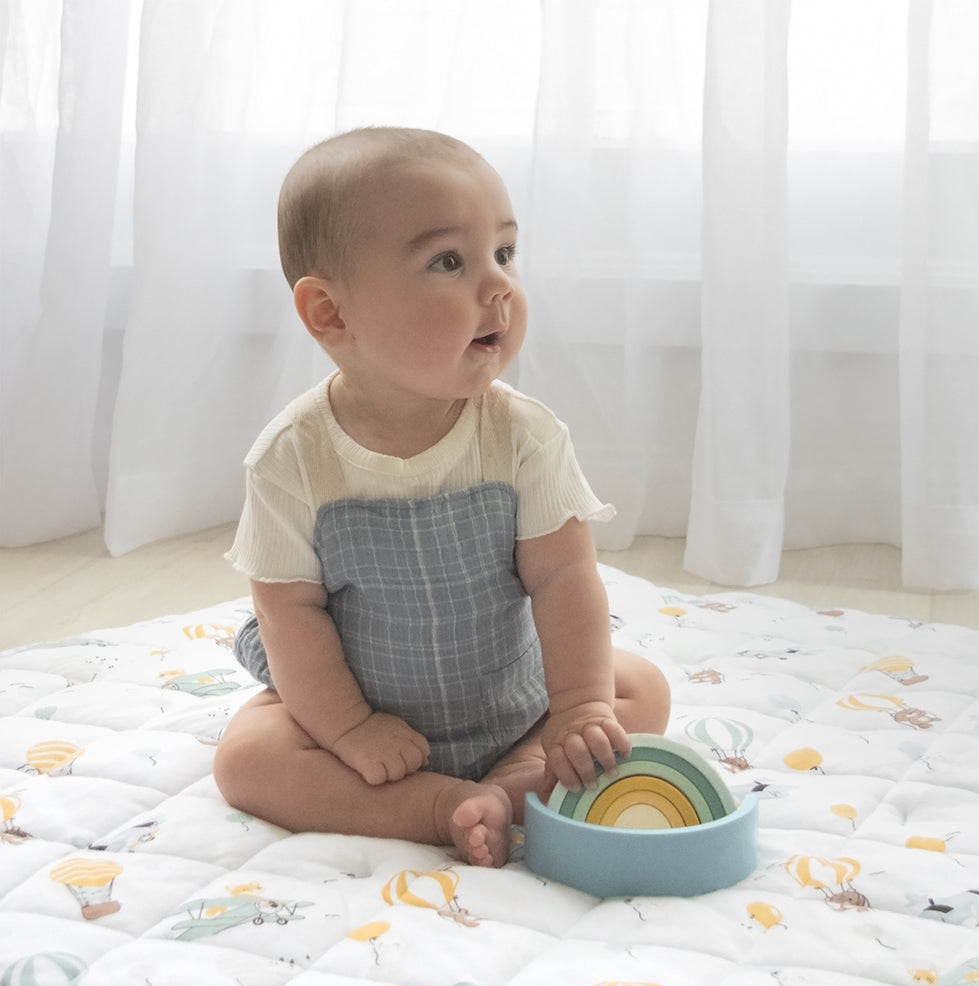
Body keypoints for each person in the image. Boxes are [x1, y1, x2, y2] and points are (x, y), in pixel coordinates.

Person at [213, 126, 671, 867]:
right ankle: (434, 806)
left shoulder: (524, 436)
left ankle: (512, 781)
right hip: (361, 723)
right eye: (449, 262)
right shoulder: (292, 458)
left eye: (505, 253)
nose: (499, 287)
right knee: (247, 759)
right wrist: (351, 729)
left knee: (636, 691)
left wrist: (579, 707)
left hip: (516, 702)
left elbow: (564, 577)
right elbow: (286, 613)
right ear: (331, 312)